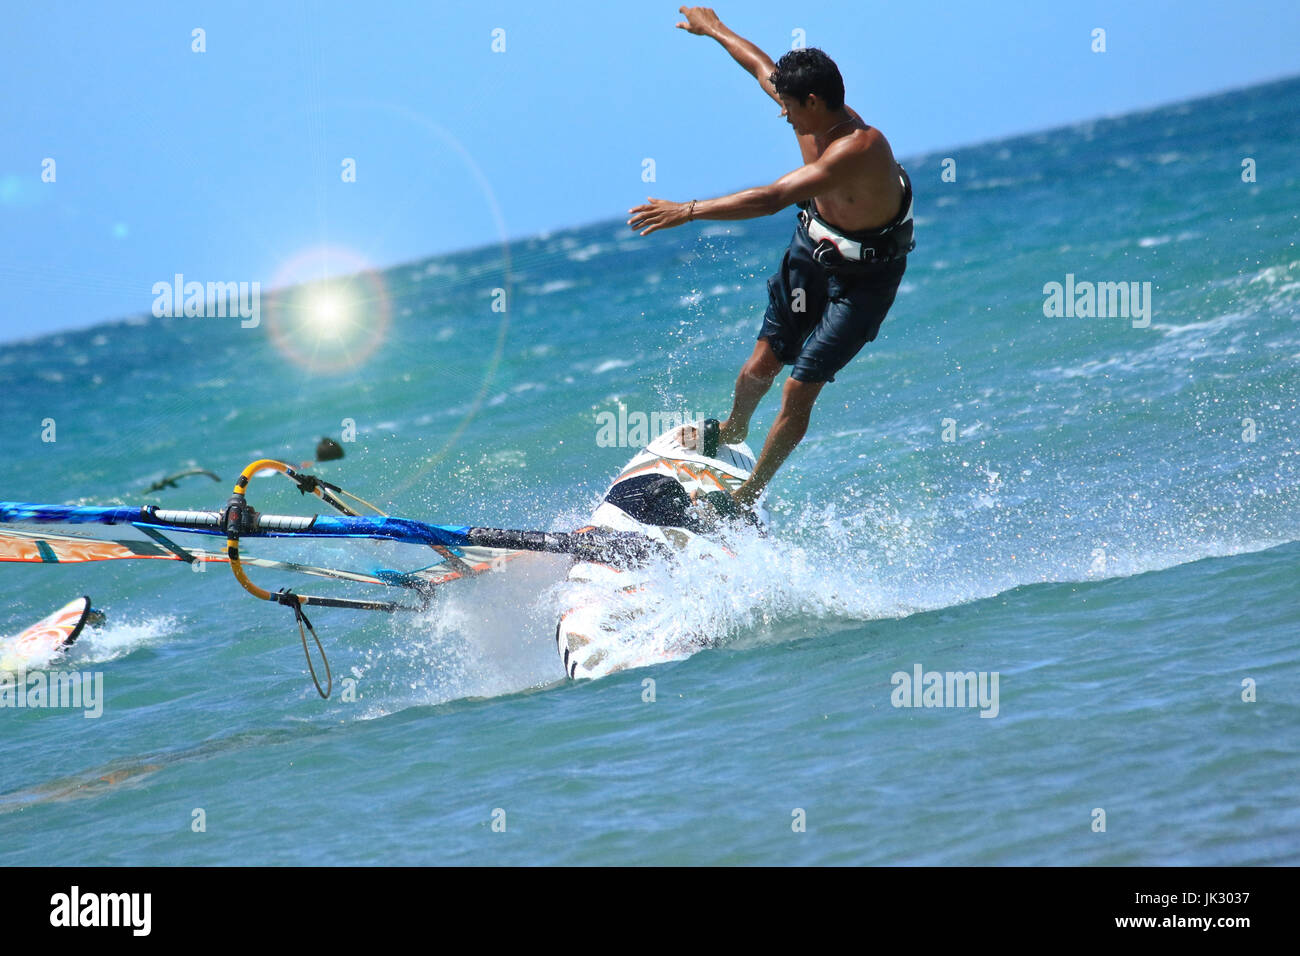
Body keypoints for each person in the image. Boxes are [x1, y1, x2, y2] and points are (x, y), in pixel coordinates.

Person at [628, 6, 915, 509]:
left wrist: (688, 211)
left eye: (789, 106)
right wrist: (712, 29)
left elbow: (772, 198)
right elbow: (759, 66)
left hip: (866, 276)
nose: (781, 113)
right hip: (813, 250)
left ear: (813, 100)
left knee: (798, 389)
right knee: (760, 365)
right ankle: (734, 428)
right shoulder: (807, 110)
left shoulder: (859, 148)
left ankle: (745, 495)